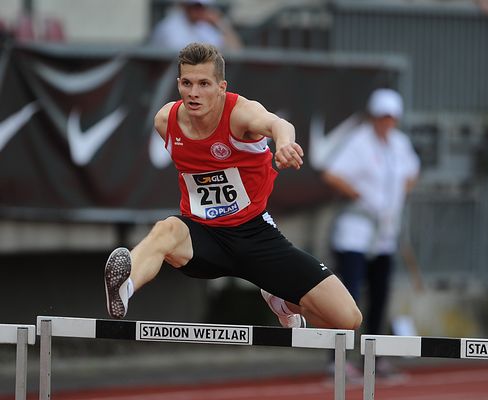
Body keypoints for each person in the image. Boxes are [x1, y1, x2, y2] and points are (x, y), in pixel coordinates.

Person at [104, 42, 362, 331]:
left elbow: (279, 124)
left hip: (254, 235)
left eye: (204, 84)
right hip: (204, 237)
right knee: (166, 230)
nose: (194, 93)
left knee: (347, 319)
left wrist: (285, 144)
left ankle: (282, 301)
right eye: (187, 83)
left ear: (221, 87)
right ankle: (124, 287)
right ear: (178, 84)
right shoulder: (166, 121)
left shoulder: (240, 114)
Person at [321, 88, 420, 374]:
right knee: (347, 299)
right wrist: (361, 198)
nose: (386, 123)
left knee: (379, 297)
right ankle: (337, 360)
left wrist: (395, 200)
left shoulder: (399, 144)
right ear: (374, 117)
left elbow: (413, 172)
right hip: (355, 233)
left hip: (385, 235)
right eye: (382, 117)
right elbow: (331, 173)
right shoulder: (359, 142)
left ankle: (373, 358)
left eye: (391, 118)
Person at [150, 0, 242, 51]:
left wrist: (221, 23)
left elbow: (235, 50)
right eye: (196, 6)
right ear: (185, 6)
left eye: (204, 8)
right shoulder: (169, 26)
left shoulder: (204, 27)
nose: (200, 11)